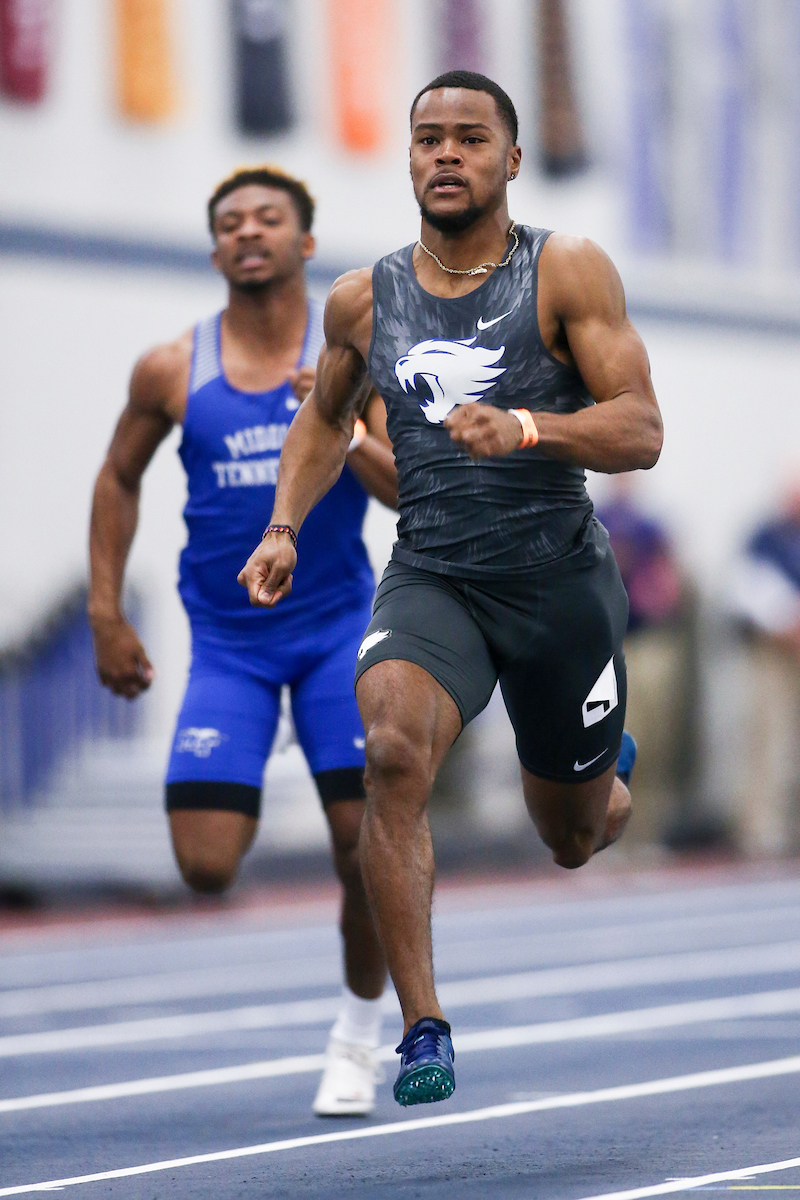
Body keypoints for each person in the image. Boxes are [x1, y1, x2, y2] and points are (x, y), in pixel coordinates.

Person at [240, 72, 662, 1107]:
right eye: (427, 138)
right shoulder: (363, 297)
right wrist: (283, 527)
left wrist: (529, 426)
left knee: (571, 837)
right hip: (434, 574)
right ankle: (422, 1025)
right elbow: (323, 423)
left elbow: (639, 429)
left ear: (509, 161)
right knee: (388, 749)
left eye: (469, 139)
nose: (443, 155)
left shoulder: (563, 271)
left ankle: (603, 766)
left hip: (557, 581)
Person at [88, 165, 396, 1117]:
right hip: (231, 646)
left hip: (338, 633)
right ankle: (261, 752)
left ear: (305, 243)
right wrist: (106, 611)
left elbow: (404, 489)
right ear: (216, 247)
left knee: (362, 847)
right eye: (231, 222)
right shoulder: (172, 368)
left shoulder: (350, 355)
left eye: (270, 219)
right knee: (207, 866)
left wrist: (338, 421)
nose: (249, 231)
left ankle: (357, 1032)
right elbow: (118, 478)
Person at [731, 474, 800, 856]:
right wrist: (786, 621)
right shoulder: (765, 537)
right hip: (773, 652)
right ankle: (763, 828)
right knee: (770, 740)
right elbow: (745, 589)